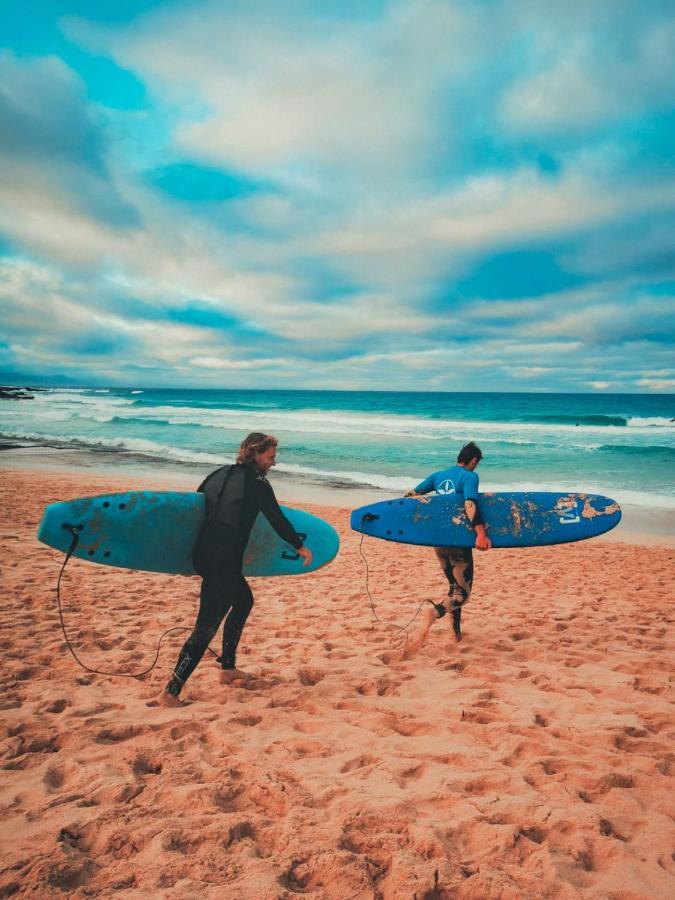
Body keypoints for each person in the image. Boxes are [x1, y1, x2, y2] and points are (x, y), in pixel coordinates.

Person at [160, 433, 312, 706]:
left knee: (244, 601)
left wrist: (185, 560)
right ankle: (171, 692)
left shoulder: (218, 474)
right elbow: (277, 519)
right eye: (271, 457)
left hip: (205, 555)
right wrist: (299, 546)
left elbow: (194, 513)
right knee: (205, 628)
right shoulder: (258, 484)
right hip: (224, 562)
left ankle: (228, 668)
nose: (274, 463)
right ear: (255, 454)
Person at [405, 441, 491, 644]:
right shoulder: (470, 476)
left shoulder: (438, 476)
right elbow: (470, 503)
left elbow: (412, 496)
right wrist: (480, 533)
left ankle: (456, 634)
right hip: (456, 541)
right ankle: (434, 613)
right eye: (476, 463)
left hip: (438, 541)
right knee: (463, 595)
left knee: (453, 588)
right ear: (473, 461)